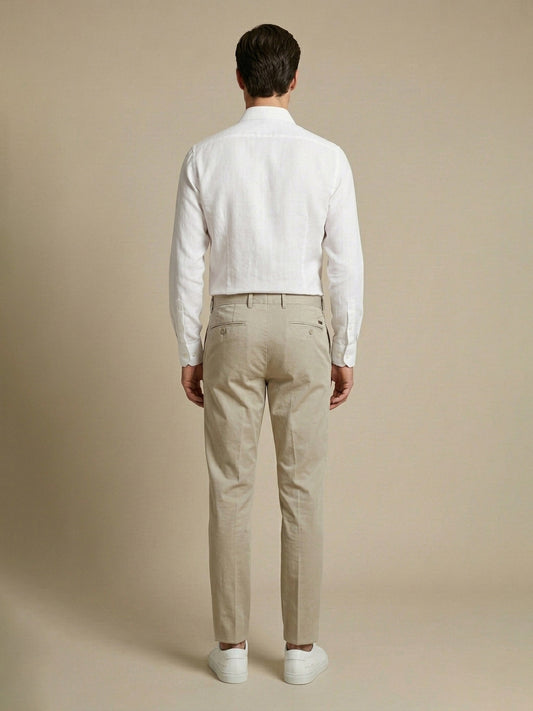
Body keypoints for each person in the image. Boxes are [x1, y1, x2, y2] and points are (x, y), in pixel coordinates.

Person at [169, 23, 364, 684]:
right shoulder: (328, 158)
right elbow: (345, 264)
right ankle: (301, 652)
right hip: (304, 325)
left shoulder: (204, 156)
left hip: (230, 323)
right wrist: (346, 346)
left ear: (239, 79)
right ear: (294, 78)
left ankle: (230, 650)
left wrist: (189, 346)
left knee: (230, 488)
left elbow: (186, 266)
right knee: (301, 490)